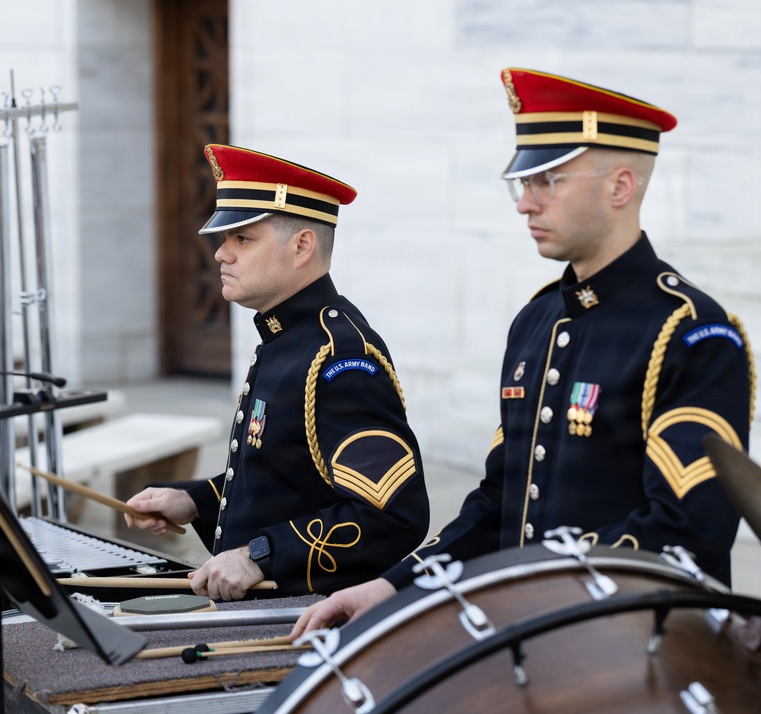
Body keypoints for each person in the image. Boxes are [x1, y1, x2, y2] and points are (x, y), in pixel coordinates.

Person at [293, 67, 754, 637]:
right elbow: (501, 499)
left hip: (641, 645)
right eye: (522, 183)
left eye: (549, 181)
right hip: (536, 634)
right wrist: (393, 586)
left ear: (620, 186)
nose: (525, 205)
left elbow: (687, 531)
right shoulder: (538, 321)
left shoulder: (691, 333)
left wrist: (529, 593)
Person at [126, 144, 430, 600]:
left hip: (307, 623)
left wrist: (258, 556)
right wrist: (195, 501)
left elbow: (390, 514)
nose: (220, 255)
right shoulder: (286, 338)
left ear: (302, 246)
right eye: (224, 240)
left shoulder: (340, 359)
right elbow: (289, 476)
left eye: (242, 239)